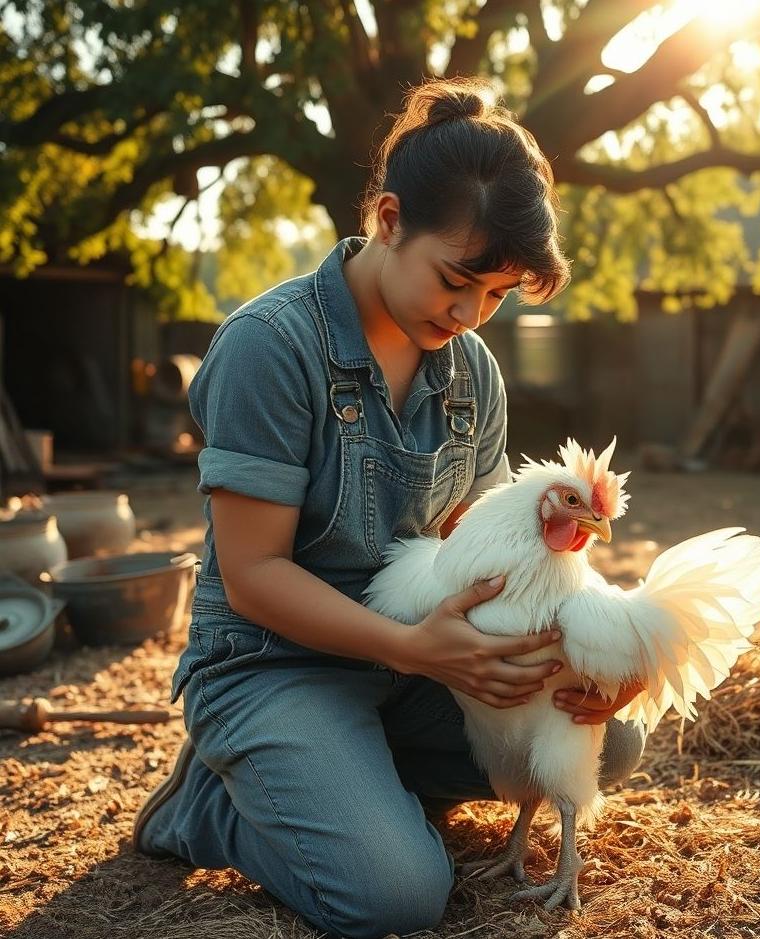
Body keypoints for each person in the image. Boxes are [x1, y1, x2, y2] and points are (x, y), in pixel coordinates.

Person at [132, 76, 647, 939]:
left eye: (496, 294)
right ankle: (208, 807)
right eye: (456, 280)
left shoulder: (471, 372)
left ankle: (345, 777)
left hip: (412, 664)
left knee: (609, 741)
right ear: (387, 218)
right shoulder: (273, 346)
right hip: (274, 661)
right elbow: (254, 577)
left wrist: (596, 652)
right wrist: (419, 648)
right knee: (397, 894)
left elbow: (478, 562)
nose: (470, 312)